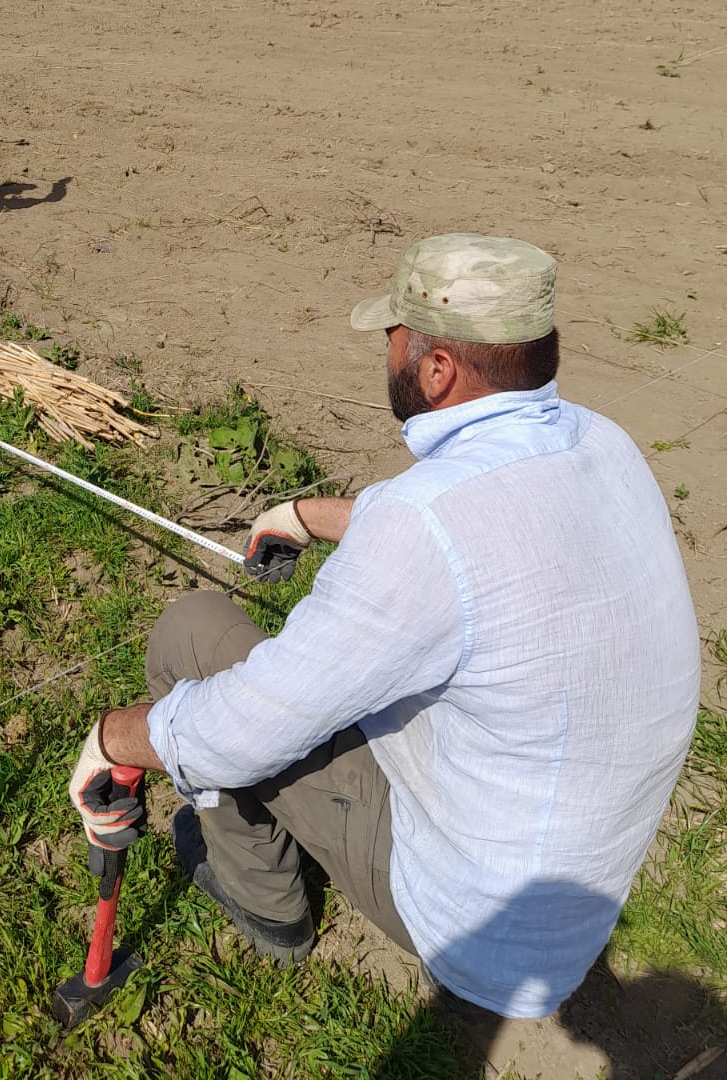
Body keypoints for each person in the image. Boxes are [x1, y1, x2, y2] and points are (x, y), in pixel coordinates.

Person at [68, 234, 701, 1020]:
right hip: (571, 900)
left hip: (476, 928)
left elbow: (240, 731)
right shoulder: (604, 441)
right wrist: (308, 515)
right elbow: (483, 532)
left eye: (393, 338)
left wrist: (111, 740)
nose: (387, 352)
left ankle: (268, 903)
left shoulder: (421, 526)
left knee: (190, 634)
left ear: (436, 371)